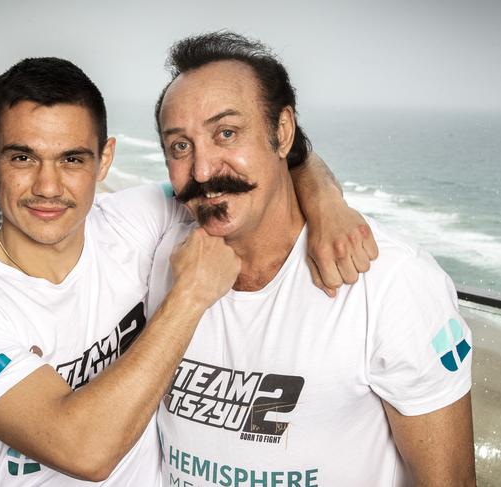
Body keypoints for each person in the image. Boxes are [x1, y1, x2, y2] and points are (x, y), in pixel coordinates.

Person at [0, 58, 375, 486]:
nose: (47, 187)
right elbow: (84, 450)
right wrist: (190, 295)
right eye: (23, 157)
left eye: (72, 159)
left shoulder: (134, 220)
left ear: (105, 159)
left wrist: (328, 204)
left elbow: (252, 172)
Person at [148, 31, 476, 486]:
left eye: (226, 133)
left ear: (282, 132)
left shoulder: (390, 282)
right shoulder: (156, 249)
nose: (202, 171)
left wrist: (323, 194)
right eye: (180, 146)